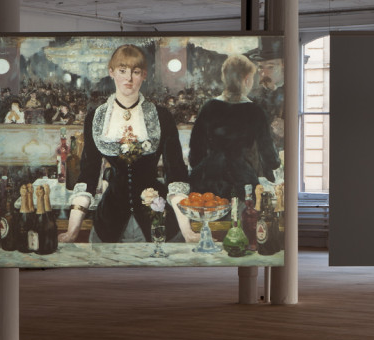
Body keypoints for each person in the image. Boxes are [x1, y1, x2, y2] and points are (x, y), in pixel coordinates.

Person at [59, 44, 195, 244]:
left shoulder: (162, 116)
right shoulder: (96, 118)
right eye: (122, 71)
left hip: (157, 220)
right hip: (110, 221)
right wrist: (72, 231)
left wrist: (188, 231)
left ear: (144, 75)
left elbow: (176, 175)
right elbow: (88, 176)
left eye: (136, 72)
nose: (129, 79)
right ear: (111, 72)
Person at [189, 54, 281, 200]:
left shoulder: (209, 107)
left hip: (207, 177)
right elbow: (268, 153)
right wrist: (275, 164)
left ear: (224, 78)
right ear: (246, 79)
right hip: (241, 178)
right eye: (251, 78)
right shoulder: (255, 111)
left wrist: (202, 166)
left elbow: (195, 150)